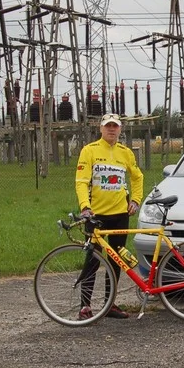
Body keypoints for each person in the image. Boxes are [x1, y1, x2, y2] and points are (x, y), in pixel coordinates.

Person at [75, 113, 144, 319]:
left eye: (115, 126)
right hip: (96, 215)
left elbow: (138, 177)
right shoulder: (90, 150)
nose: (112, 130)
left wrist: (136, 201)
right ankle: (85, 306)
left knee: (116, 260)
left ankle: (110, 304)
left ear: (120, 129)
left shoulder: (125, 152)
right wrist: (85, 207)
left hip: (120, 214)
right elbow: (81, 181)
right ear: (101, 129)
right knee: (93, 260)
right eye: (108, 126)